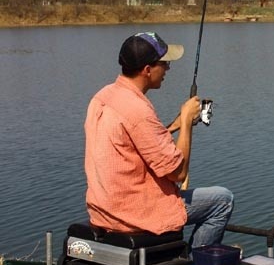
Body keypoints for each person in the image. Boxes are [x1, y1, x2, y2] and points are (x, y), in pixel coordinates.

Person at [84, 31, 234, 249]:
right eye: (164, 63)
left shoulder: (102, 97)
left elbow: (135, 141)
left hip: (104, 210)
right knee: (223, 200)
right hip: (133, 214)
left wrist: (174, 127)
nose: (168, 69)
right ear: (147, 70)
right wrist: (185, 118)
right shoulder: (138, 110)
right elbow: (178, 172)